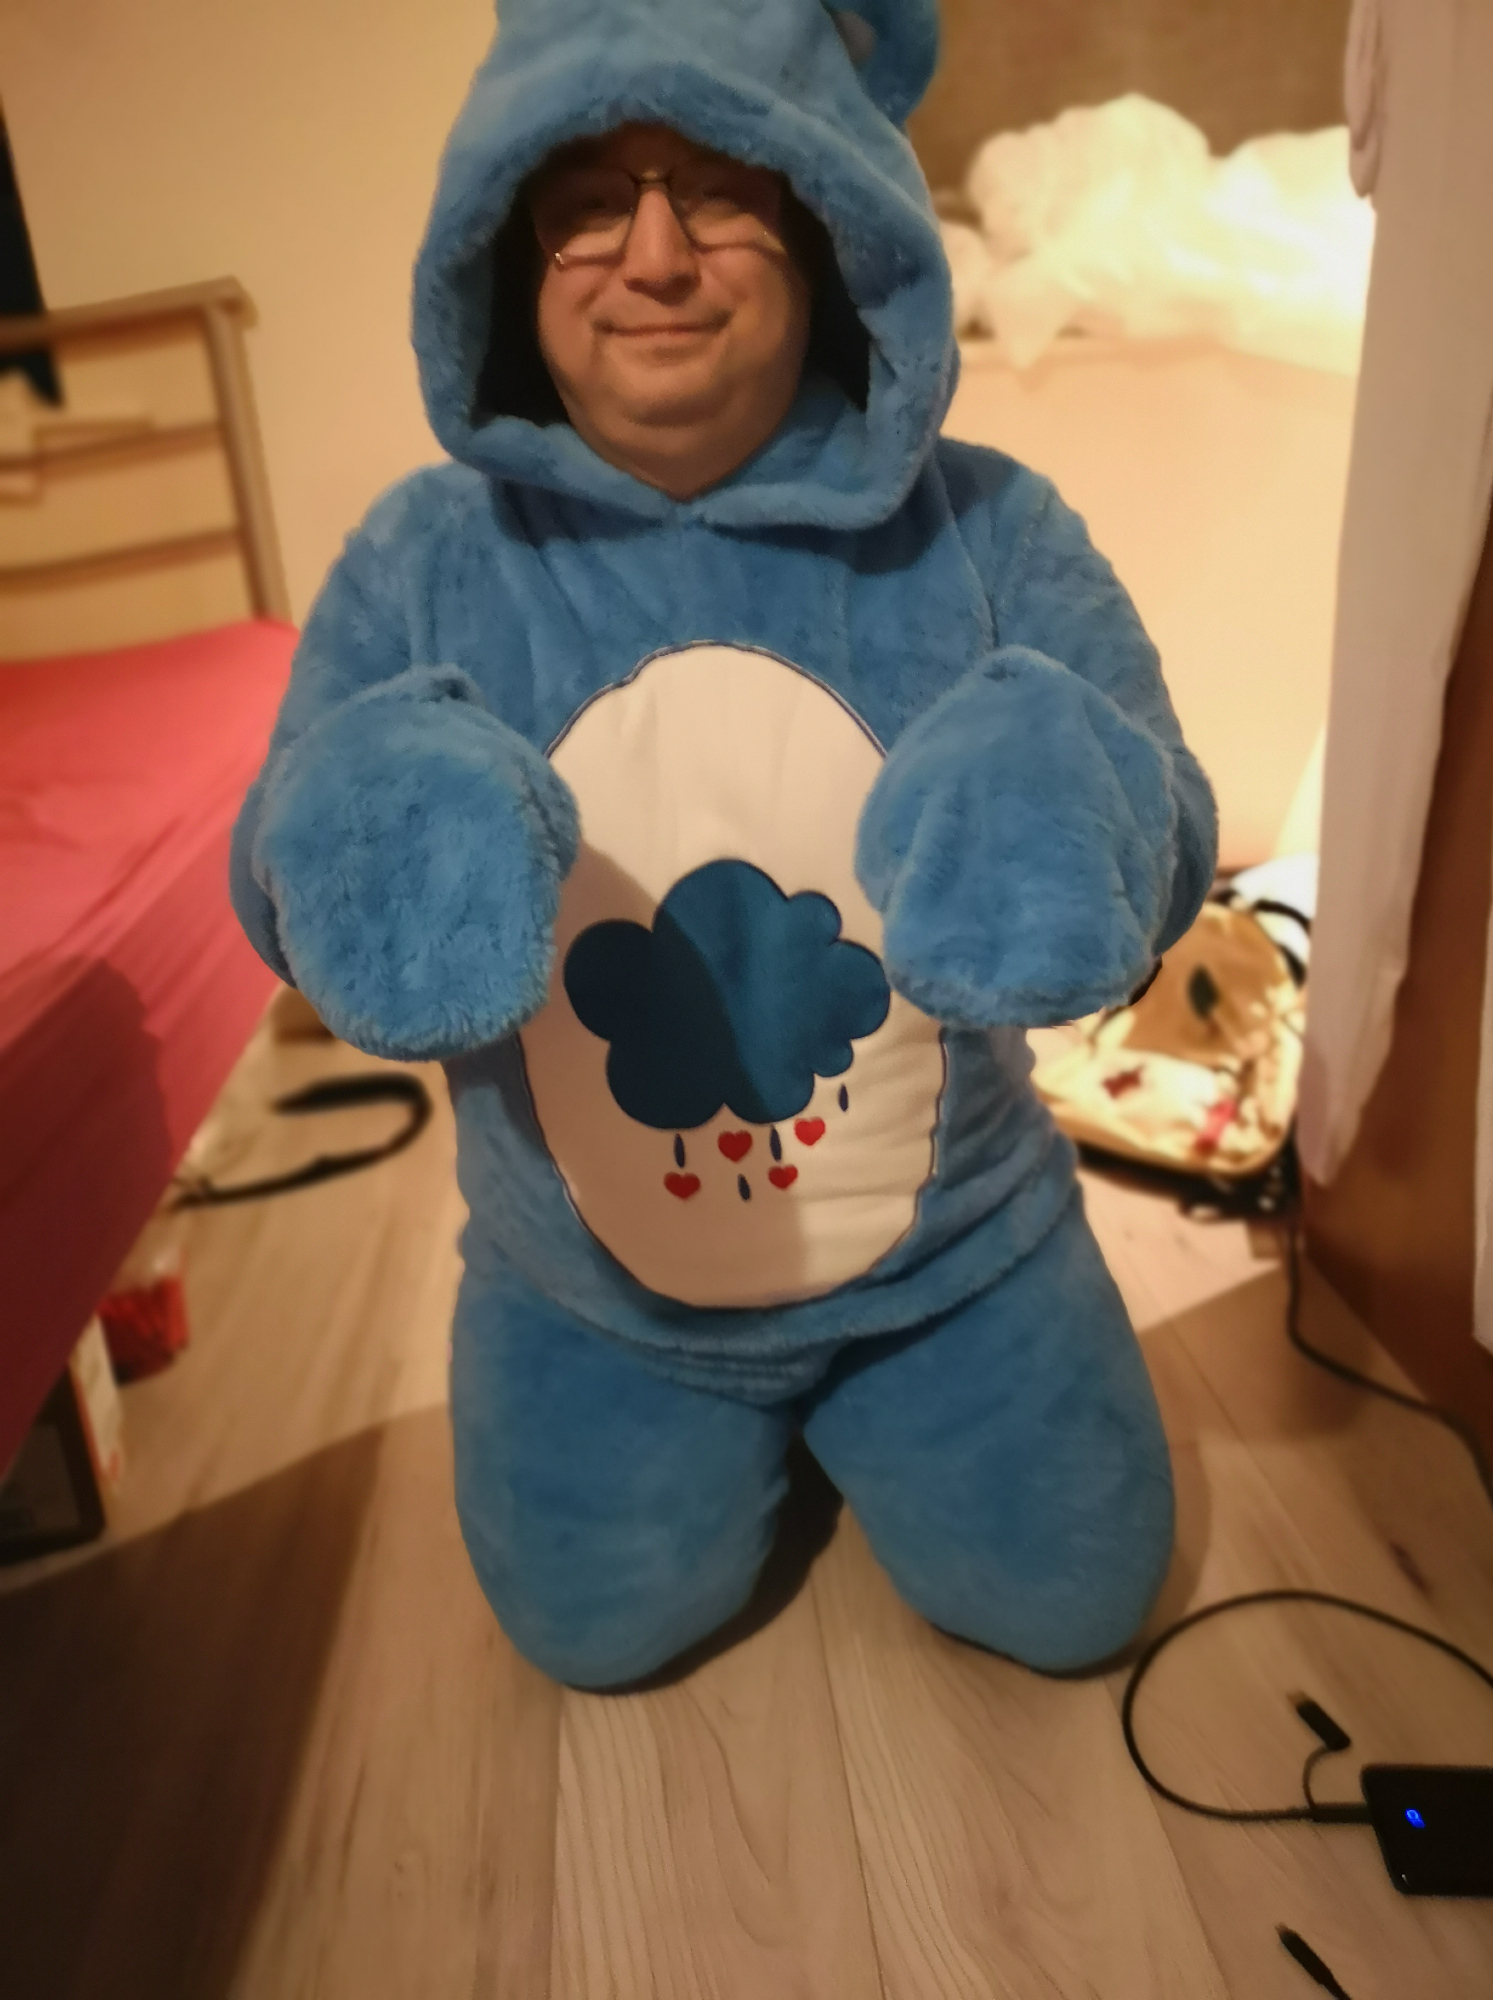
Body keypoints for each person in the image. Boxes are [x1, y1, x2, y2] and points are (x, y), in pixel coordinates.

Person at [231, 0, 1217, 1689]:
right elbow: (274, 869)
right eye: (588, 203)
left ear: (826, 214)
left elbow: (1170, 817)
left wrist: (1070, 795)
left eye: (719, 188)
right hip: (597, 1296)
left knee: (1075, 1594)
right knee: (598, 1636)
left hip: (956, 1266)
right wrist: (380, 828)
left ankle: (876, 1405)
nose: (656, 255)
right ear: (506, 247)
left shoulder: (991, 526)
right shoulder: (423, 559)